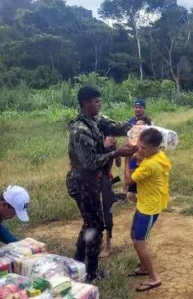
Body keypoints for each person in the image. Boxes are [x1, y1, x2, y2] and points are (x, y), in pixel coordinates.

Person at [67, 86, 135, 282]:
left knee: (90, 223)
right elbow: (89, 162)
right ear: (85, 103)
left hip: (92, 180)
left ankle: (78, 264)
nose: (99, 104)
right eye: (96, 101)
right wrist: (116, 153)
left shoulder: (96, 120)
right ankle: (90, 273)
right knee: (95, 225)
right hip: (82, 181)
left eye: (99, 101)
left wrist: (139, 129)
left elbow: (117, 126)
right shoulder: (80, 129)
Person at [126, 128, 171, 292]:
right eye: (139, 145)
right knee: (133, 234)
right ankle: (144, 267)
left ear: (155, 148)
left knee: (139, 241)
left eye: (143, 147)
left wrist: (129, 160)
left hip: (149, 208)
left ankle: (154, 277)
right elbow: (141, 160)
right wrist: (139, 156)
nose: (139, 149)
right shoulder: (157, 155)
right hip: (144, 204)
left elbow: (128, 179)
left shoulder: (151, 164)